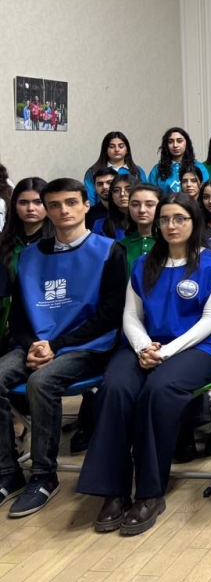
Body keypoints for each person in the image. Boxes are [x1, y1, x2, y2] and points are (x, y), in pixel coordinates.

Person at [76, 193, 211, 535]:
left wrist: (166, 352)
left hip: (198, 349)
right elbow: (131, 315)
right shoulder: (144, 264)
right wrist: (145, 346)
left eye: (180, 219)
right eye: (165, 219)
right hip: (144, 344)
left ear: (194, 221)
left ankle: (149, 492)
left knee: (159, 390)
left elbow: (210, 319)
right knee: (114, 388)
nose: (171, 226)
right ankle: (113, 491)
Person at [0, 179, 127, 517]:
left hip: (88, 345)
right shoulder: (30, 256)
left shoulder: (109, 250)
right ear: (46, 210)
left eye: (71, 202)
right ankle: (8, 472)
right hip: (39, 344)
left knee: (42, 382)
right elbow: (19, 315)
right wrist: (32, 345)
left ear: (86, 205)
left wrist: (56, 346)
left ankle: (44, 475)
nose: (63, 210)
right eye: (54, 205)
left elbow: (110, 314)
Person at [0, 178, 51, 277]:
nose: (30, 208)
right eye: (23, 203)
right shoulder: (4, 242)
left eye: (38, 202)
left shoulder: (59, 241)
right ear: (15, 205)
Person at [84, 132, 146, 206]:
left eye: (121, 146)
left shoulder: (137, 171)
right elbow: (90, 198)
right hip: (101, 211)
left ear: (127, 150)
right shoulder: (93, 171)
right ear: (105, 150)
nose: (117, 150)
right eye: (112, 146)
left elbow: (143, 195)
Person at [148, 128, 209, 194]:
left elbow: (206, 192)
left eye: (179, 141)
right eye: (170, 142)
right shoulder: (157, 169)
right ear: (166, 145)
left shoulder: (199, 167)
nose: (175, 145)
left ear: (187, 143)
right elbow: (150, 194)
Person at [119, 185, 162, 272]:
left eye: (149, 205)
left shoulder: (170, 244)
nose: (142, 210)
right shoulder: (120, 246)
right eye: (135, 205)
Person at [94, 174, 136, 240]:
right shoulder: (100, 225)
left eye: (128, 190)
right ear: (111, 195)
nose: (122, 194)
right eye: (116, 190)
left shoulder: (146, 222)